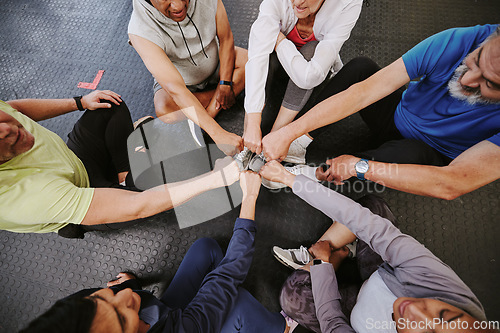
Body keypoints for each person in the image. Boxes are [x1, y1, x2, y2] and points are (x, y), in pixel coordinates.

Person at [20, 172, 298, 333]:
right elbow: (226, 279)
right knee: (236, 302)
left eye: (103, 297)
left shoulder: (81, 316)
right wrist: (249, 198)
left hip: (163, 316)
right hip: (180, 327)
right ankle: (282, 328)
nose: (126, 296)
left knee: (205, 249)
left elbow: (124, 297)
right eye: (121, 316)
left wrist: (130, 286)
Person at [261, 24, 500, 199]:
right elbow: (363, 93)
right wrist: (288, 133)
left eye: (488, 83)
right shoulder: (462, 40)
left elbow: (452, 183)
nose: (468, 78)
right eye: (476, 60)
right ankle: (298, 143)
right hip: (399, 114)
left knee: (411, 153)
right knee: (361, 69)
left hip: (431, 151)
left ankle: (307, 177)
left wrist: (358, 166)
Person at [260, 161, 497, 333]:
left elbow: (333, 323)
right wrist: (290, 179)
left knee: (292, 298)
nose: (414, 310)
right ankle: (324, 253)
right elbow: (370, 226)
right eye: (444, 315)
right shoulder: (442, 284)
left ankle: (324, 257)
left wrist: (323, 266)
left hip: (352, 314)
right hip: (383, 274)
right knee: (372, 212)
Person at [0, 90, 240, 237]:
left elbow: (15, 108)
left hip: (73, 159)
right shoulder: (15, 198)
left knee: (108, 102)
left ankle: (123, 177)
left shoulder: (6, 121)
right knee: (186, 174)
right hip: (81, 198)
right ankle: (127, 183)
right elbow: (138, 206)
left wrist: (80, 101)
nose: (8, 128)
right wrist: (215, 178)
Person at [241, 0, 362, 164]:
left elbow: (310, 76)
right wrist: (253, 123)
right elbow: (257, 56)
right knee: (262, 43)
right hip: (279, 67)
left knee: (311, 48)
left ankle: (274, 136)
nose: (297, 2)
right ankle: (248, 140)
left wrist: (279, 40)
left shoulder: (348, 4)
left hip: (312, 78)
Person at [128, 0, 246, 155]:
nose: (178, 6)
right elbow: (176, 89)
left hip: (215, 60)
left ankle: (205, 112)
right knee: (165, 111)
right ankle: (215, 105)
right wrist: (217, 133)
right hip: (182, 82)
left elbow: (226, 39)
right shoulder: (139, 31)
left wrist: (225, 83)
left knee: (252, 63)